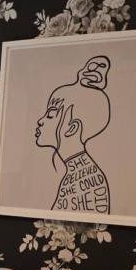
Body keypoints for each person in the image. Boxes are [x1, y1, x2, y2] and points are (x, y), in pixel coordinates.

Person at [34, 55, 111, 215]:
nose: (40, 120)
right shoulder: (74, 173)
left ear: (72, 128)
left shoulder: (84, 182)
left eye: (50, 114)